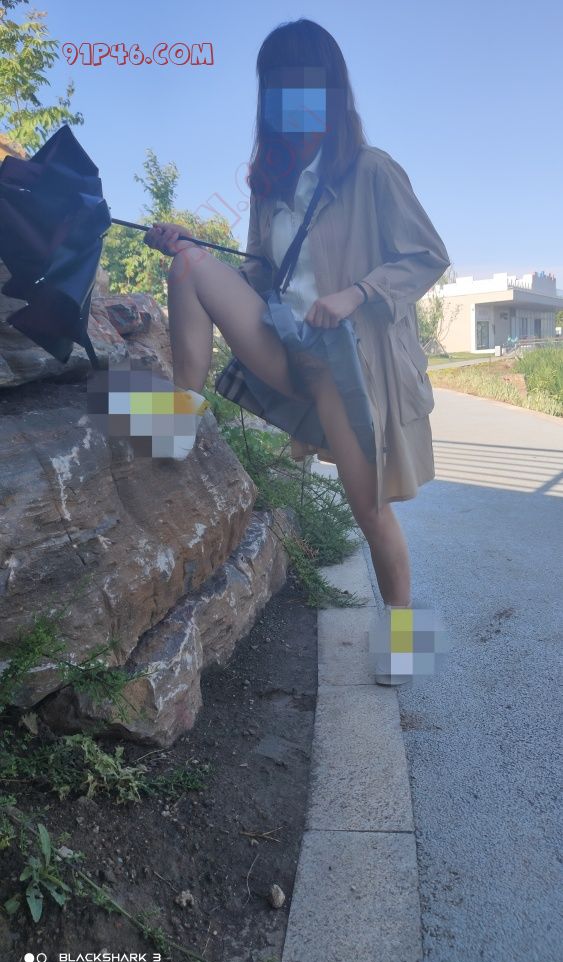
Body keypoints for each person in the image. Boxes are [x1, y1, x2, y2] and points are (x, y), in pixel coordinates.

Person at [143, 17, 451, 623]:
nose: (290, 96)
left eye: (303, 82)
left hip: (345, 365)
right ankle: (176, 418)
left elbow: (427, 256)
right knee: (188, 264)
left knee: (370, 512)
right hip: (283, 345)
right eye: (277, 84)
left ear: (331, 89)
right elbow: (259, 277)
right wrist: (192, 243)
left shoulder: (372, 170)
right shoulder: (269, 187)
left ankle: (404, 642)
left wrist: (356, 293)